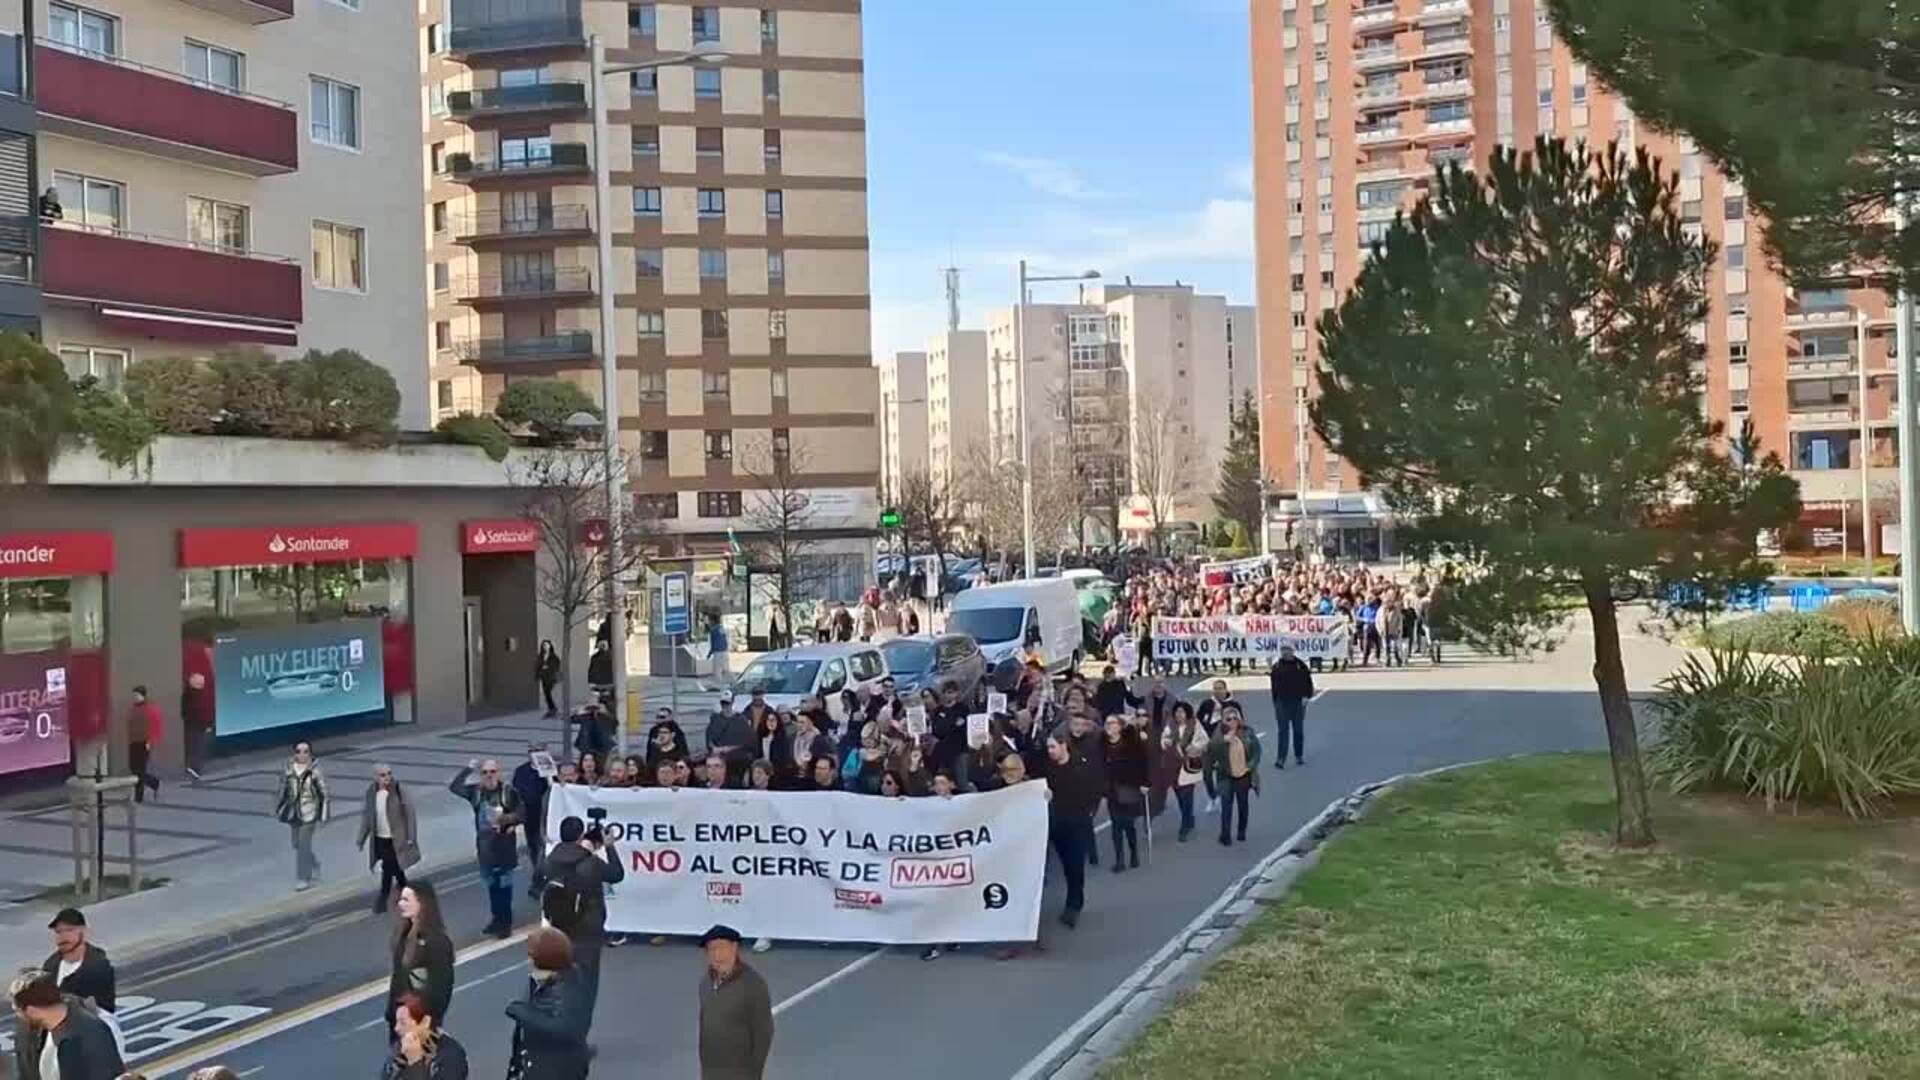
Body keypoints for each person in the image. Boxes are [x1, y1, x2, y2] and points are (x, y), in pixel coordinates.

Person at [540, 816, 624, 1015]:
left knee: (563, 981)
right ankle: (579, 1032)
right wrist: (609, 847)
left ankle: (561, 1021)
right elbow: (616, 874)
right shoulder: (590, 862)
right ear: (581, 836)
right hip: (588, 930)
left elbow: (537, 881)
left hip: (559, 927)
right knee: (587, 985)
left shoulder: (550, 860)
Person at [448, 759, 525, 938]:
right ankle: (496, 919)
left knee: (504, 887)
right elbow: (454, 787)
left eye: (492, 771)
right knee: (492, 886)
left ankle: (505, 923)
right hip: (486, 849)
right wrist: (468, 769)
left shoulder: (508, 792)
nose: (489, 775)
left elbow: (522, 813)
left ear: (498, 773)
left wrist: (506, 820)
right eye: (485, 772)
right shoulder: (476, 792)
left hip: (504, 847)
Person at [504, 928, 591, 1080]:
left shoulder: (563, 989)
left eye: (531, 955)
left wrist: (521, 1012)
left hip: (553, 1068)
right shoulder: (544, 981)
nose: (528, 960)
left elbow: (562, 1027)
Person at [1040, 731, 1102, 928]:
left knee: (1075, 867)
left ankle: (1074, 905)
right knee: (1065, 866)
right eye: (1048, 748)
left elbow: (1093, 789)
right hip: (1056, 824)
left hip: (1077, 823)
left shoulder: (1080, 765)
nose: (1050, 751)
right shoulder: (1046, 768)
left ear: (1063, 746)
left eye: (1053, 747)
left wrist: (1089, 811)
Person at [696, 924, 773, 1080]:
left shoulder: (753, 984)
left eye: (720, 948)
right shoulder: (705, 983)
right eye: (711, 949)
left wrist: (755, 1073)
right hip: (710, 1070)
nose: (716, 954)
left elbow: (764, 1032)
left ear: (734, 948)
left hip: (740, 1072)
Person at [11, 973, 122, 1080]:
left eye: (17, 1011)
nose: (19, 1018)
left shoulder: (91, 1036)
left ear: (32, 1011)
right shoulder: (41, 1030)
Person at [41, 908, 119, 1056]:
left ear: (83, 931)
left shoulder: (97, 967)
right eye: (58, 932)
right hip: (55, 1043)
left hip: (86, 1047)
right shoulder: (51, 965)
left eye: (69, 930)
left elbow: (101, 1010)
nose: (63, 937)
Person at [386, 883, 454, 1038]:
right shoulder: (403, 936)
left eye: (406, 900)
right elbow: (397, 979)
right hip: (401, 1018)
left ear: (422, 903)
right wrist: (392, 1013)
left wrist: (426, 1017)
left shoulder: (437, 941)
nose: (400, 904)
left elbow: (442, 986)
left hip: (420, 1021)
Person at [356, 764, 420, 914]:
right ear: (376, 777)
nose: (387, 777)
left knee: (388, 866)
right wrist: (361, 838)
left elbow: (410, 814)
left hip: (396, 838)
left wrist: (411, 837)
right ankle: (407, 892)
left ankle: (383, 899)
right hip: (380, 838)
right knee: (395, 868)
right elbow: (367, 817)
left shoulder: (399, 791)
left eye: (389, 774)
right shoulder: (371, 793)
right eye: (383, 775)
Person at [272, 742, 329, 891]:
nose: (302, 755)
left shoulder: (315, 771)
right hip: (294, 812)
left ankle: (303, 878)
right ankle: (314, 863)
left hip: (310, 812)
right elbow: (282, 789)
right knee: (297, 844)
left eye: (305, 751)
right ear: (294, 753)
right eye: (299, 751)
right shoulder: (288, 770)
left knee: (304, 844)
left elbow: (324, 794)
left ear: (310, 754)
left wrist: (323, 816)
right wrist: (277, 807)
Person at [1207, 704, 1262, 847]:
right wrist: (1226, 739)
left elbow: (1257, 752)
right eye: (1228, 719)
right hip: (1225, 775)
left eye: (1234, 718)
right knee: (1226, 805)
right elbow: (1212, 746)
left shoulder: (1247, 732)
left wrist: (1249, 767)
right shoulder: (1219, 733)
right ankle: (1225, 835)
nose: (1231, 721)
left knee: (1243, 804)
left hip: (1243, 775)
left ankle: (1241, 831)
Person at [1101, 714, 1148, 872]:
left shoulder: (1131, 743)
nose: (1108, 726)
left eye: (1112, 723)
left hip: (1128, 787)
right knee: (1116, 825)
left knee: (1128, 824)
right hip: (1112, 790)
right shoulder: (1103, 744)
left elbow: (1142, 762)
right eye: (1107, 723)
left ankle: (1134, 853)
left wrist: (1145, 783)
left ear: (1120, 727)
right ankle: (1119, 860)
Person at [385, 991, 469, 1080]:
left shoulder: (451, 1056)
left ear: (425, 1022)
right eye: (396, 1022)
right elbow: (386, 1075)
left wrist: (415, 1063)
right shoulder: (400, 1050)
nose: (396, 1028)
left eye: (403, 1022)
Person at [511, 745, 553, 898]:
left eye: (538, 750)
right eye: (532, 751)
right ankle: (540, 878)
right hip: (530, 816)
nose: (535, 754)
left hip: (547, 815)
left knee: (543, 848)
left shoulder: (550, 769)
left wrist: (548, 776)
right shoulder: (521, 771)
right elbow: (515, 792)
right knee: (534, 848)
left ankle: (540, 882)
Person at [1165, 701, 1208, 842]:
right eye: (1177, 711)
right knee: (1179, 794)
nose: (1179, 714)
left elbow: (1204, 740)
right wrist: (1165, 742)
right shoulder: (1170, 725)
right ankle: (1189, 817)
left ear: (1187, 713)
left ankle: (1184, 826)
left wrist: (1194, 747)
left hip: (1189, 764)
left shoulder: (1195, 725)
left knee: (1187, 795)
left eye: (1182, 712)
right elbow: (1163, 739)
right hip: (1174, 765)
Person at [1268, 644, 1314, 769]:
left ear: (1293, 651)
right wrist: (1275, 701)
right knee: (1283, 731)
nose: (1285, 652)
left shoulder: (1301, 666)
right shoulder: (1276, 667)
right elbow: (1273, 686)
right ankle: (1281, 758)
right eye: (1283, 650)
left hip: (1298, 702)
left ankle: (1298, 754)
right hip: (1282, 703)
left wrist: (1306, 696)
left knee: (1298, 730)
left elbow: (1308, 683)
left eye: (1288, 650)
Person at [126, 686, 161, 803]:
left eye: (136, 695)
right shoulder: (133, 709)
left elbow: (155, 726)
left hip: (144, 742)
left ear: (143, 695)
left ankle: (138, 797)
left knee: (140, 770)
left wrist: (150, 741)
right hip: (134, 742)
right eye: (134, 695)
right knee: (133, 768)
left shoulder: (150, 709)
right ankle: (154, 782)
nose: (134, 697)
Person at [705, 692, 751, 775]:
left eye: (727, 703)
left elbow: (746, 743)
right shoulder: (715, 719)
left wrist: (727, 748)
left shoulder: (741, 720)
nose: (725, 706)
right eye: (723, 703)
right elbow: (709, 739)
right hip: (718, 760)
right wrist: (714, 749)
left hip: (737, 762)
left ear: (732, 702)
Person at [179, 671, 212, 781]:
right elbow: (202, 711)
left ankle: (194, 768)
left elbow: (184, 712)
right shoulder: (197, 696)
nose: (202, 685)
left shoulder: (187, 695)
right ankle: (195, 768)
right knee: (197, 746)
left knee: (195, 746)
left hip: (192, 724)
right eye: (200, 683)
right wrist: (207, 723)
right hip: (197, 724)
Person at [536, 641, 562, 718]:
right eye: (544, 645)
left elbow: (556, 665)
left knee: (548, 692)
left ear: (550, 646)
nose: (545, 647)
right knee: (546, 694)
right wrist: (538, 674)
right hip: (543, 677)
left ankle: (553, 709)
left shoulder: (554, 656)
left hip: (551, 677)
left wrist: (547, 667)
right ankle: (552, 709)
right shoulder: (541, 656)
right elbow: (538, 666)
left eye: (547, 645)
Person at [708, 615, 730, 684]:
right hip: (725, 651)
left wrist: (709, 653)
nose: (709, 622)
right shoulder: (722, 628)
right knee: (726, 669)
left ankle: (720, 685)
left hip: (717, 652)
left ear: (713, 621)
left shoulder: (713, 630)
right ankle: (734, 682)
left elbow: (713, 643)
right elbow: (725, 640)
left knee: (716, 670)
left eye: (710, 621)